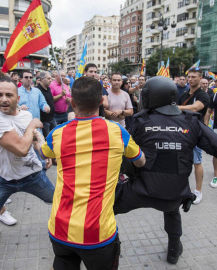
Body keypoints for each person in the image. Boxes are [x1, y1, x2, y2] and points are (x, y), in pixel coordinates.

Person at [114, 76, 217, 265]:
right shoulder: (191, 121)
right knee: (172, 211)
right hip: (174, 194)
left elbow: (122, 150)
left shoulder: (140, 120)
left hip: (139, 190)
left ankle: (102, 246)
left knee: (107, 207)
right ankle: (174, 249)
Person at [40, 76, 145, 270]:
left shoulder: (57, 133)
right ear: (101, 101)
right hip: (98, 234)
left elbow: (44, 151)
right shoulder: (117, 132)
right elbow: (140, 160)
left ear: (72, 103)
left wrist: (33, 131)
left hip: (60, 229)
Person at [0, 76, 55, 250]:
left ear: (17, 98)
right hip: (4, 178)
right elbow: (21, 148)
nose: (4, 99)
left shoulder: (26, 115)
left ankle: (65, 230)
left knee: (58, 200)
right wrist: (32, 125)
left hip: (33, 175)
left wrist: (44, 152)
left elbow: (35, 138)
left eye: (9, 95)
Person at [177, 68, 210, 204]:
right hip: (183, 133)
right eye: (189, 77)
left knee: (197, 162)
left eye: (194, 77)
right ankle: (181, 189)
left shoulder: (203, 95)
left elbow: (196, 107)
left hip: (196, 133)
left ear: (200, 78)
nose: (190, 79)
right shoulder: (184, 95)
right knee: (181, 162)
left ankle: (198, 191)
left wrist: (177, 107)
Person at [37, 71, 57, 137]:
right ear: (42, 79)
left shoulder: (48, 89)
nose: (50, 80)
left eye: (51, 78)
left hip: (52, 118)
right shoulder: (37, 90)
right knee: (47, 138)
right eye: (48, 79)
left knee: (55, 136)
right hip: (44, 120)